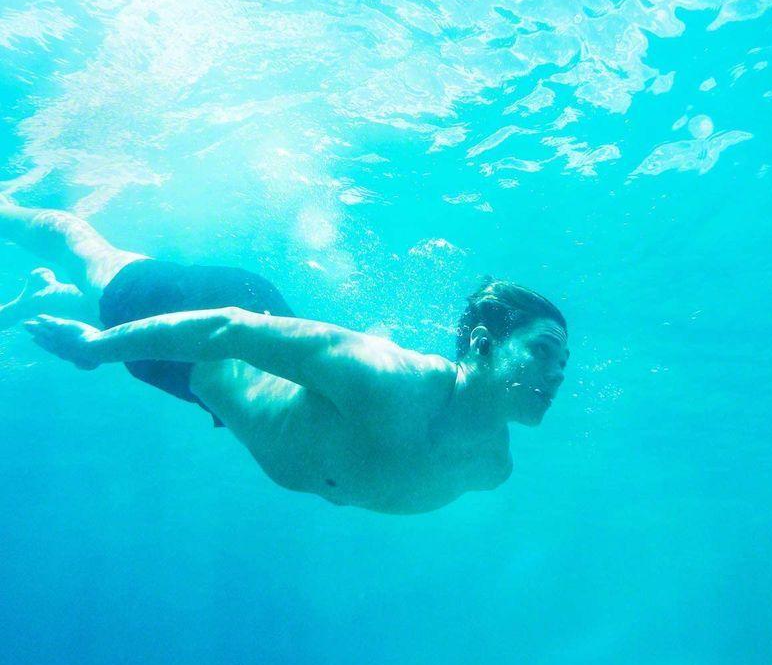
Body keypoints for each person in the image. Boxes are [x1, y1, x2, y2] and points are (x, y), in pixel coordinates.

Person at [1, 197, 569, 515]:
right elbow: (227, 328)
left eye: (563, 364)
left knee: (98, 298)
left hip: (210, 390)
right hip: (210, 316)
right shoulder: (388, 380)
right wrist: (94, 349)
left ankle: (51, 296)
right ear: (483, 345)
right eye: (543, 351)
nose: (556, 374)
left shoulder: (491, 469)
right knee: (88, 253)